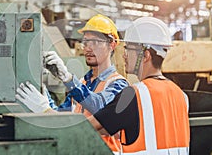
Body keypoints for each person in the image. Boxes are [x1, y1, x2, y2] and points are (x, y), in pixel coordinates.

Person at [16, 14, 129, 153]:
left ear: (111, 45)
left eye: (95, 42)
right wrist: (43, 95)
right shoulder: (82, 82)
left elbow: (101, 110)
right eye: (86, 42)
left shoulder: (118, 85)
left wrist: (67, 78)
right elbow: (63, 116)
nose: (88, 48)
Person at [88, 17, 190, 154]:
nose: (124, 56)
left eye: (128, 50)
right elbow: (110, 125)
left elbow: (89, 126)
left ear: (146, 55)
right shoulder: (181, 96)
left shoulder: (133, 94)